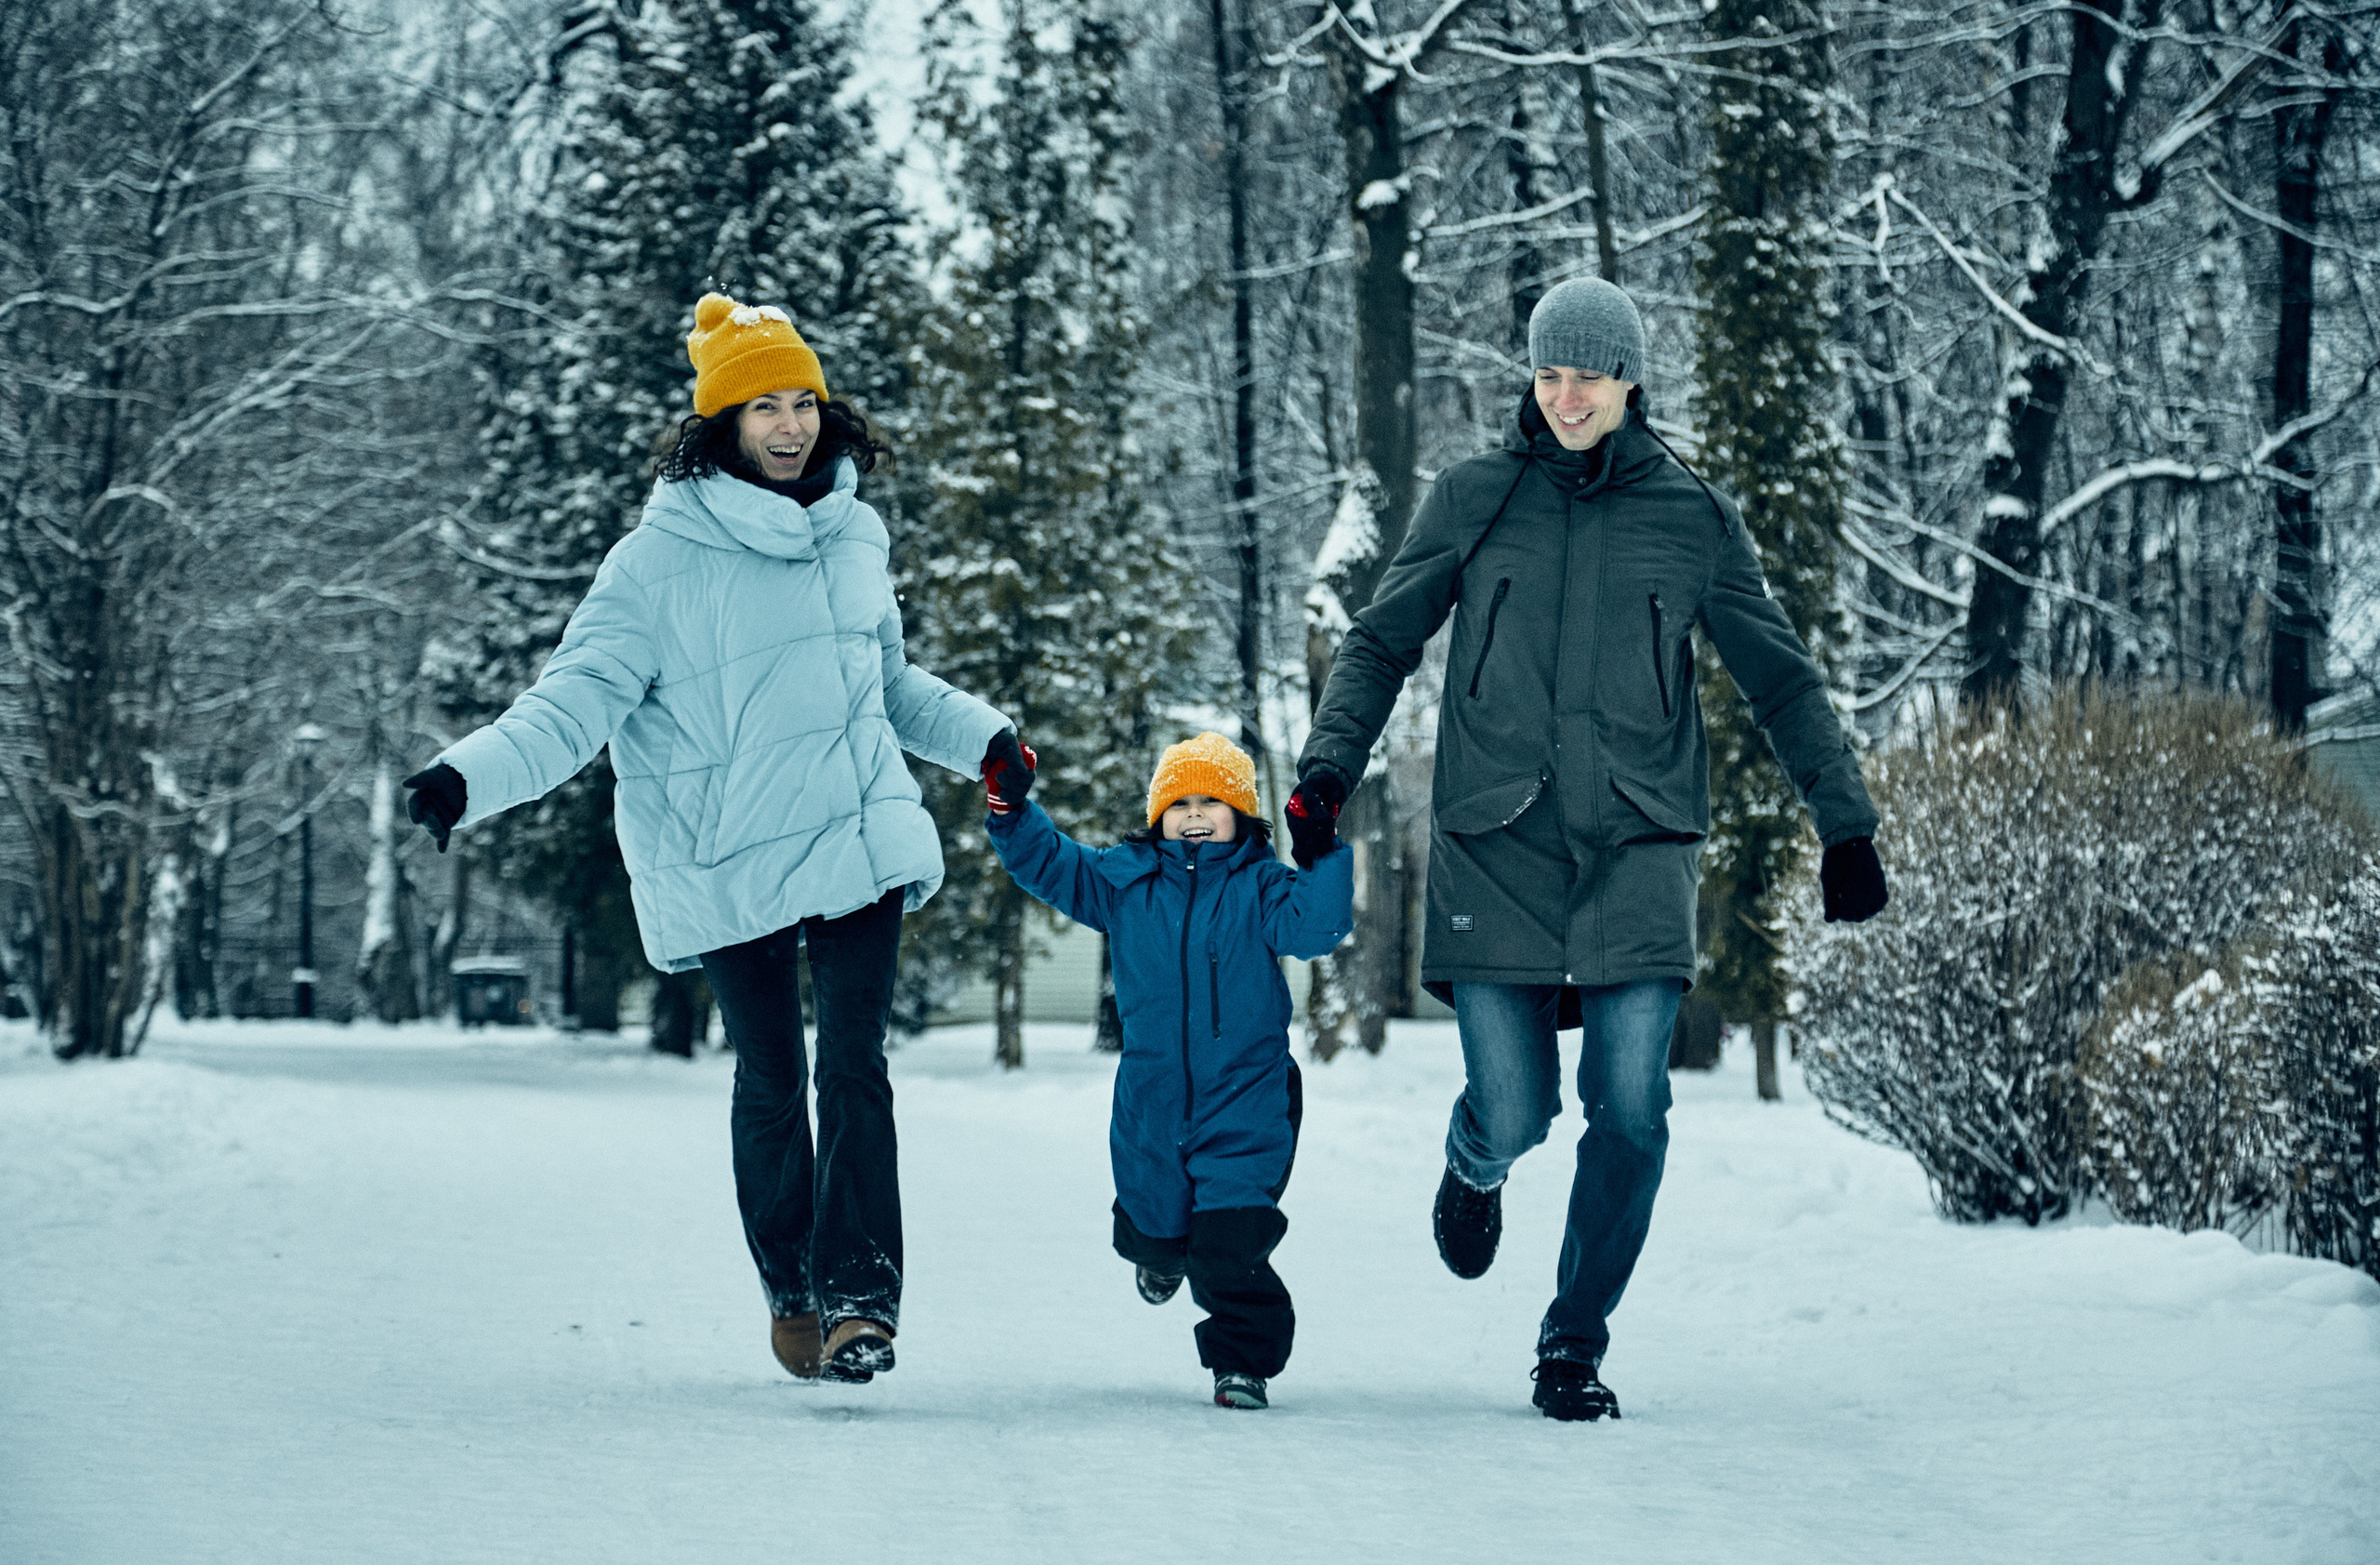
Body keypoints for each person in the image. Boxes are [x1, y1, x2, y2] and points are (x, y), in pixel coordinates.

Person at [400, 293, 1032, 1388]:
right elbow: (572, 705)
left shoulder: (852, 533)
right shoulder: (654, 564)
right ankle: (792, 1286)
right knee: (773, 1076)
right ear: (722, 423)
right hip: (725, 853)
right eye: (764, 407)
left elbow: (885, 685)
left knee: (855, 1068)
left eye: (803, 403)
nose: (790, 426)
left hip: (855, 834)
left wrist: (985, 738)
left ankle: (860, 1301)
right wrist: (467, 777)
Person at [1291, 276, 1890, 1421]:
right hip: (1496, 838)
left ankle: (1571, 1342)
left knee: (1630, 1105)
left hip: (1637, 842)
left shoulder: (1693, 517)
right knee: (1518, 1109)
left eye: (1589, 377)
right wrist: (1327, 770)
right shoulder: (1471, 499)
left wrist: (1844, 823)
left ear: (1629, 381)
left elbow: (1780, 679)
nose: (1566, 397)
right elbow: (1378, 643)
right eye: (1548, 375)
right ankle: (1476, 1160)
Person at [983, 733, 1353, 1408]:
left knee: (1229, 1241)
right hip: (1152, 1103)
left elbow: (1319, 926)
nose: (1195, 813)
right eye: (1179, 802)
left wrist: (1320, 850)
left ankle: (1241, 1363)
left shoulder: (1261, 886)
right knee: (1152, 1229)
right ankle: (1159, 1256)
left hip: (1245, 1100)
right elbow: (1051, 864)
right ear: (1158, 815)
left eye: (1213, 800)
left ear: (1242, 814)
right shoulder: (1125, 882)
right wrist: (1011, 811)